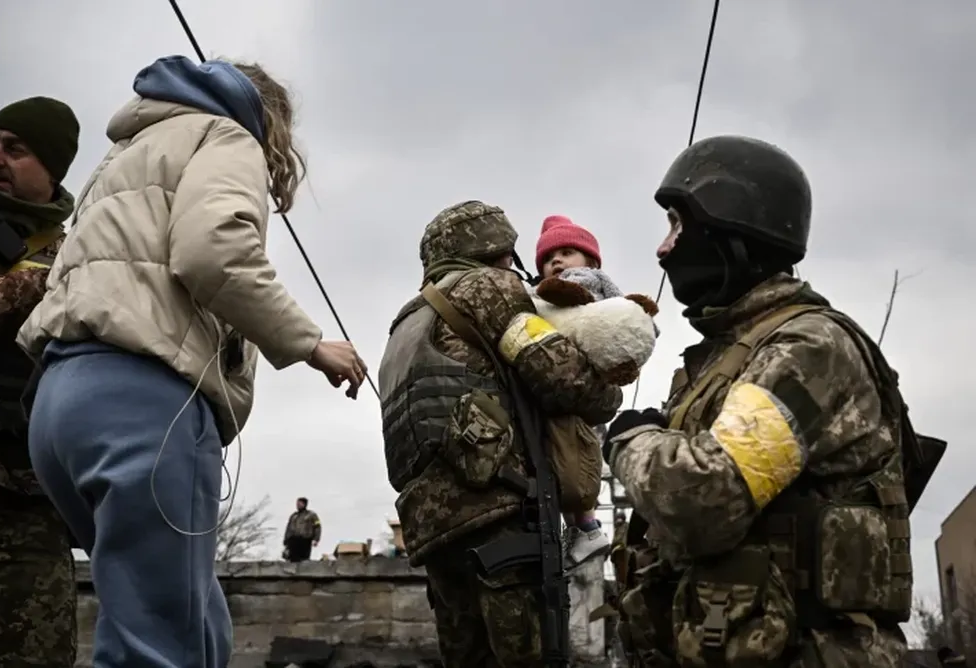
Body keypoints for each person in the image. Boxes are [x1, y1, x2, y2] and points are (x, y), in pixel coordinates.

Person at [16, 55, 365, 667]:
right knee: (156, 648)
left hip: (57, 406)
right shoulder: (226, 134)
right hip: (142, 400)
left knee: (199, 629)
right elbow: (212, 252)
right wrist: (311, 344)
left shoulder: (128, 152)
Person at [603, 135, 917, 665]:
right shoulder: (728, 357)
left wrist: (632, 439)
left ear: (732, 227)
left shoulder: (810, 347)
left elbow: (704, 498)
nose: (663, 249)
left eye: (678, 226)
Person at [378, 200, 623, 667]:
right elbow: (561, 377)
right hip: (500, 517)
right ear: (493, 248)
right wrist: (608, 395)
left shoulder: (407, 321)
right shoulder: (490, 287)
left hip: (431, 530)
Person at [0, 96, 80, 667]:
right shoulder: (66, 270)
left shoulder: (77, 252)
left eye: (14, 149)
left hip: (32, 501)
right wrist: (40, 288)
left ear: (52, 167)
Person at [534, 214, 621, 569]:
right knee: (568, 462)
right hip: (577, 391)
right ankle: (583, 529)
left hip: (575, 386)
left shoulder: (583, 283)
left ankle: (587, 529)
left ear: (591, 261)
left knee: (570, 469)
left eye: (567, 252)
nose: (557, 262)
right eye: (549, 259)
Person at [283, 497, 321, 562]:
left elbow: (317, 526)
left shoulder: (311, 515)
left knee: (304, 560)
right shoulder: (294, 516)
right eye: (297, 503)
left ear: (304, 504)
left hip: (305, 540)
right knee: (292, 559)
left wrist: (316, 539)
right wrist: (286, 540)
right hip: (293, 540)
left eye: (299, 503)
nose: (297, 505)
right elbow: (288, 528)